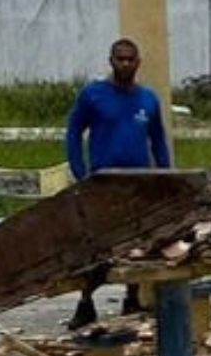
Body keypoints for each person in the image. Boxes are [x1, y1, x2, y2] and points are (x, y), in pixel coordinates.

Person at [64, 38, 172, 327]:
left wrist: (166, 176)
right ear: (110, 61)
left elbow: (158, 140)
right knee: (100, 248)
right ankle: (85, 303)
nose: (125, 64)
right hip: (103, 183)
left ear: (138, 62)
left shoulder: (148, 99)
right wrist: (80, 171)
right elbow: (74, 131)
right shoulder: (93, 95)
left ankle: (132, 298)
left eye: (130, 59)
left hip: (139, 182)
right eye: (119, 59)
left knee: (138, 244)